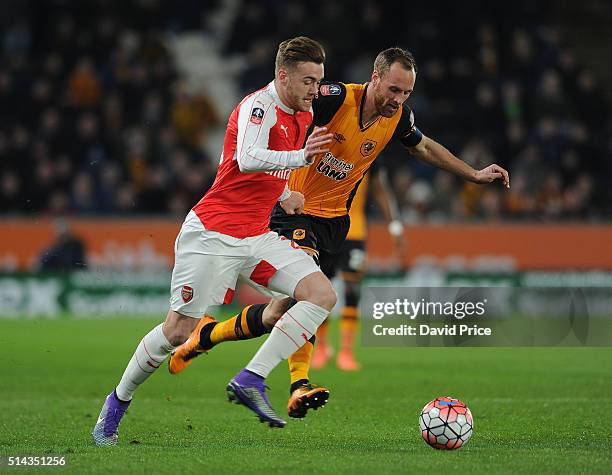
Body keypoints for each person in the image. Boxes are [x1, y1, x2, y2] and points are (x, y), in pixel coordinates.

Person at [170, 47, 510, 419]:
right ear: (375, 78)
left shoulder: (398, 119)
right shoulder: (332, 99)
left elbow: (424, 147)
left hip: (336, 222)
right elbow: (283, 112)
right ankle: (296, 383)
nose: (398, 100)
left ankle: (206, 336)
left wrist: (473, 175)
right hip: (293, 210)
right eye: (393, 90)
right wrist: (277, 174)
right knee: (310, 296)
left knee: (277, 313)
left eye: (406, 93)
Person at [92, 36, 334, 445]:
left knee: (320, 294)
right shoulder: (260, 106)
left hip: (256, 235)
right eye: (308, 81)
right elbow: (247, 158)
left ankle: (251, 378)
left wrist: (283, 193)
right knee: (177, 331)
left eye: (319, 80)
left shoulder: (302, 114)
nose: (316, 90)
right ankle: (115, 405)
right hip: (212, 234)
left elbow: (255, 174)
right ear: (283, 76)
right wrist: (300, 160)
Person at [311, 164, 404, 371]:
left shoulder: (371, 149)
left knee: (352, 289)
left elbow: (380, 189)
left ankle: (346, 351)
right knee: (319, 290)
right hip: (324, 229)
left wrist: (394, 225)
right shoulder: (326, 142)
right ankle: (322, 347)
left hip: (355, 230)